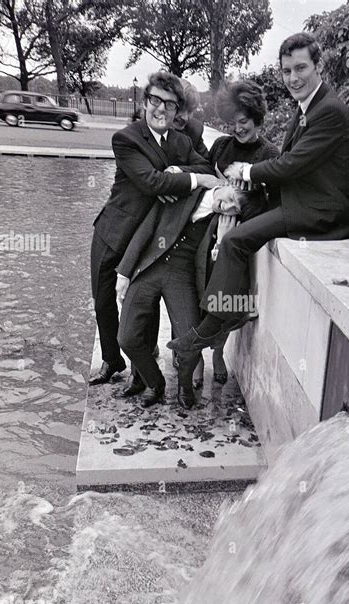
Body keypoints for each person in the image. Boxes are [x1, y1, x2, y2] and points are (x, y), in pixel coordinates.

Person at [167, 32, 349, 357]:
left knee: (234, 241)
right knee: (239, 219)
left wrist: (246, 172)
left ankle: (210, 327)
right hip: (301, 200)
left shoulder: (329, 111)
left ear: (318, 65)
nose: (293, 78)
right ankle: (233, 310)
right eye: (287, 71)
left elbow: (292, 164)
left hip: (323, 212)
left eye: (301, 68)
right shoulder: (310, 107)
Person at [89, 71, 217, 387]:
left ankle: (144, 366)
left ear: (176, 111)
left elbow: (205, 166)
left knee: (144, 302)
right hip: (114, 231)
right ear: (145, 102)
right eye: (154, 101)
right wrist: (191, 180)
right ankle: (112, 360)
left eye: (169, 105)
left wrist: (181, 171)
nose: (161, 109)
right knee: (104, 300)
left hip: (148, 235)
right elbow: (150, 182)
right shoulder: (126, 138)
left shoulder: (180, 141)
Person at [115, 184, 268, 409]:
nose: (226, 207)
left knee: (190, 343)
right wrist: (125, 272)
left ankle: (184, 385)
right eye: (231, 198)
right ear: (229, 186)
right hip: (149, 268)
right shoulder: (182, 190)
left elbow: (223, 269)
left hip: (183, 277)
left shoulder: (226, 224)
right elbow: (146, 229)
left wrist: (221, 242)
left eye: (234, 209)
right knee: (126, 338)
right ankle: (155, 382)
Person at [193, 80, 280, 387]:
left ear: (256, 118)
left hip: (241, 238)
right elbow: (204, 181)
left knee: (226, 299)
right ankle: (198, 355)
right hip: (210, 229)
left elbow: (273, 205)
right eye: (232, 123)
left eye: (243, 122)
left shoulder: (270, 153)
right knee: (201, 290)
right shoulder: (220, 147)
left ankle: (218, 352)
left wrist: (241, 206)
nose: (237, 129)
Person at [173, 79, 209, 159]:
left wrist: (178, 170)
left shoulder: (194, 131)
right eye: (181, 108)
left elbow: (207, 166)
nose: (185, 117)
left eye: (190, 111)